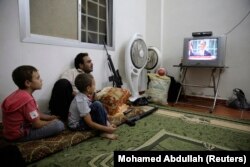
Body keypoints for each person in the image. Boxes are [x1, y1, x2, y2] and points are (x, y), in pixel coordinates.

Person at [1, 65, 65, 142]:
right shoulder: (27, 100)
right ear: (28, 83)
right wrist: (52, 121)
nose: (41, 80)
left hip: (10, 132)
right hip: (19, 135)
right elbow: (37, 124)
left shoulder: (20, 94)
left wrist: (50, 117)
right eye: (38, 78)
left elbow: (37, 113)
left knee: (47, 113)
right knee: (59, 125)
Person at [68, 73, 118, 140]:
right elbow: (90, 123)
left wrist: (107, 124)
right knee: (97, 104)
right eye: (94, 84)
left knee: (99, 104)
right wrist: (107, 129)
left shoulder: (84, 95)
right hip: (76, 125)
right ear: (88, 88)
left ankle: (106, 125)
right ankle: (103, 132)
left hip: (83, 118)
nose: (95, 87)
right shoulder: (81, 100)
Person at [49, 53, 93, 121]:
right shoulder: (71, 72)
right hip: (70, 102)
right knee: (63, 83)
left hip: (84, 104)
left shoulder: (90, 77)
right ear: (81, 65)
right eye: (88, 62)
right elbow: (62, 86)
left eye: (91, 61)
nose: (92, 64)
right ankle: (59, 117)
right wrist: (79, 95)